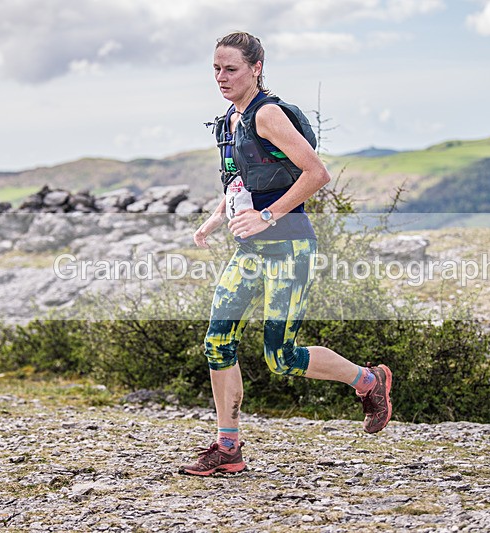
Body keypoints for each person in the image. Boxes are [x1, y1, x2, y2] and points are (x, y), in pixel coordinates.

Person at [180, 31, 393, 476]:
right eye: (216, 68)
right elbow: (242, 181)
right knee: (217, 342)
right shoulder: (231, 119)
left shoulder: (268, 114)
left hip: (289, 247)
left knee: (281, 357)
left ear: (256, 68)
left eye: (231, 69)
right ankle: (228, 447)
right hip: (249, 251)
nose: (221, 77)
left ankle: (369, 380)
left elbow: (317, 173)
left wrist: (267, 216)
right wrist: (216, 217)